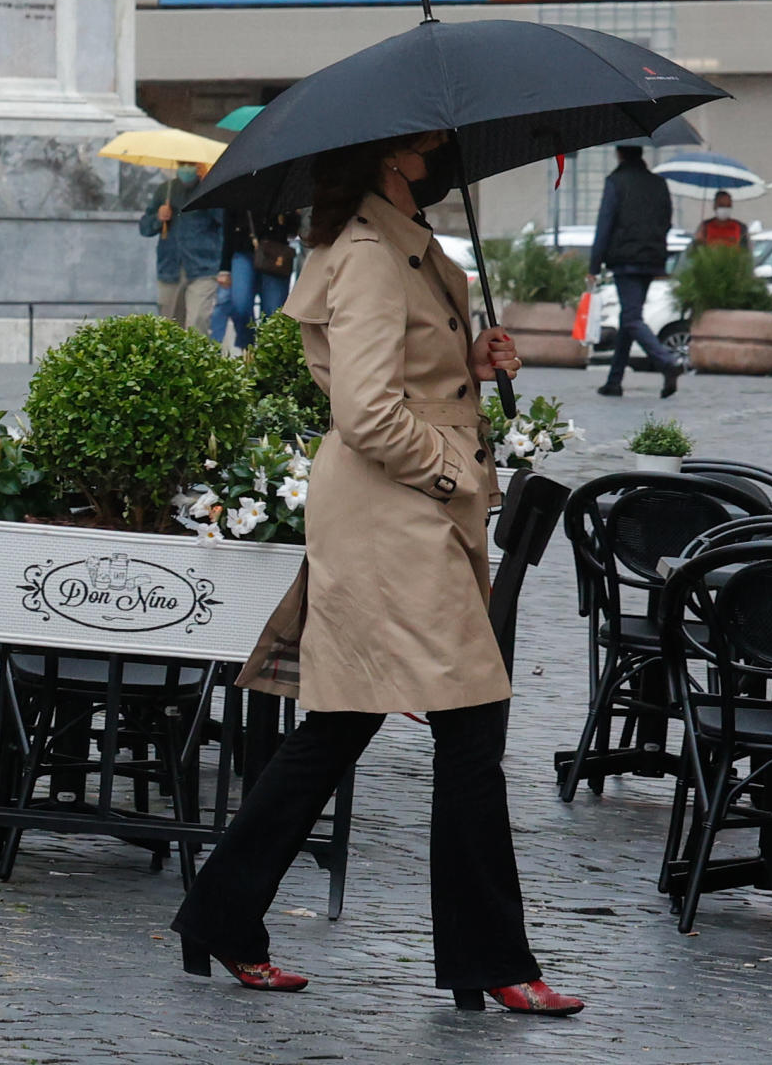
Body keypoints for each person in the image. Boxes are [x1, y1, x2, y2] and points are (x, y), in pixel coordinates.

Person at [171, 131, 580, 1016]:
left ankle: (218, 914)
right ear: (394, 155)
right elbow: (362, 409)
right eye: (430, 140)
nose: (445, 147)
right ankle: (493, 959)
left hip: (405, 512)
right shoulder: (365, 253)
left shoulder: (404, 243)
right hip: (395, 512)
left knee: (342, 727)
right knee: (470, 727)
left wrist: (467, 367)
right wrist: (451, 467)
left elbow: (405, 374)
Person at [591, 143, 684, 399]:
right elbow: (666, 221)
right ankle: (614, 381)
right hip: (652, 258)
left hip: (625, 260)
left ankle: (666, 361)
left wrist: (593, 265)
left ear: (619, 153)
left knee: (631, 318)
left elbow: (605, 223)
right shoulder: (659, 183)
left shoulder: (616, 182)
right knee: (629, 319)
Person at [145, 166, 227, 340]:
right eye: (183, 163)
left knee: (198, 322)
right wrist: (158, 218)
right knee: (168, 327)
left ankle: (199, 364)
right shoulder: (164, 191)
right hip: (170, 268)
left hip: (203, 268)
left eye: (191, 164)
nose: (186, 168)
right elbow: (144, 227)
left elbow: (224, 225)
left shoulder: (208, 190)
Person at [217, 204, 297, 351]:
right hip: (243, 249)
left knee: (273, 312)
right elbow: (228, 229)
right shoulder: (238, 188)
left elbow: (293, 229)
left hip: (275, 252)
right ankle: (249, 349)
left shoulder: (283, 188)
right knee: (240, 306)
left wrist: (289, 215)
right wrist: (225, 268)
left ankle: (269, 356)